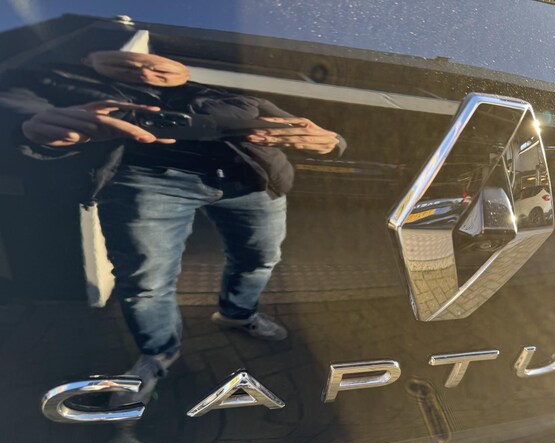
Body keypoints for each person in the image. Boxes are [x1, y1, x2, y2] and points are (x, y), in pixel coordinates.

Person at [0, 51, 344, 400]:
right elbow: (16, 110)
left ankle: (238, 314)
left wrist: (331, 143)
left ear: (183, 69)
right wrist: (29, 128)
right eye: (128, 62)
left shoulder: (232, 96)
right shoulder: (57, 82)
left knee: (260, 257)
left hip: (249, 180)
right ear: (89, 60)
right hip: (146, 180)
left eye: (159, 63)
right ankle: (158, 354)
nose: (147, 67)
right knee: (146, 281)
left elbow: (309, 131)